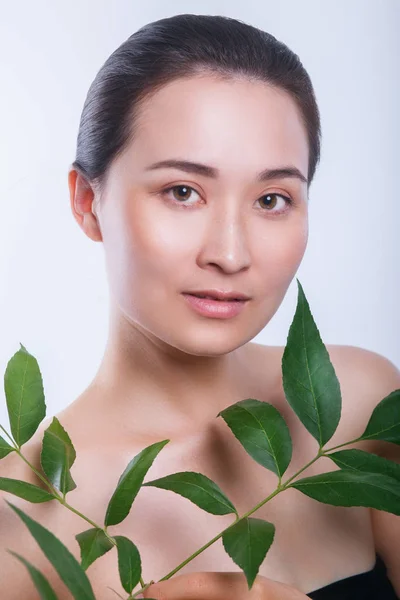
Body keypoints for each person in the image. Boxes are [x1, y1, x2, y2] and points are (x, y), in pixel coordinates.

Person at [0, 13, 399, 600]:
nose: (231, 253)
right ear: (88, 202)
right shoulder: (18, 519)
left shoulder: (363, 406)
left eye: (272, 199)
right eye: (182, 192)